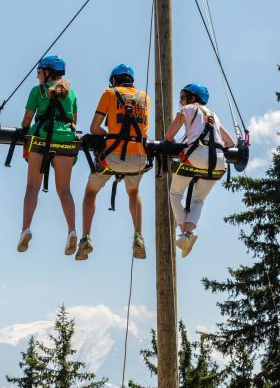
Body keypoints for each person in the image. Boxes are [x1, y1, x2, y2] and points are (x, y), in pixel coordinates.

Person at [75, 64, 150, 261]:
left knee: (91, 192)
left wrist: (111, 135)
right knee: (133, 192)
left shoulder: (109, 93)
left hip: (112, 158)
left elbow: (94, 128)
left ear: (114, 80)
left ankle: (86, 238)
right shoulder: (145, 97)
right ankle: (138, 235)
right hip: (139, 158)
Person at [17, 55, 79, 255]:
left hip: (42, 138)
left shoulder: (37, 91)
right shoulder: (71, 94)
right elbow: (74, 122)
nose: (37, 75)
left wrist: (24, 128)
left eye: (39, 71)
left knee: (32, 186)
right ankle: (72, 230)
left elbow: (27, 119)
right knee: (64, 191)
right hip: (67, 142)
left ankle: (25, 228)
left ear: (47, 72)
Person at [164, 83, 235, 257]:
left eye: (182, 96)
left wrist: (172, 142)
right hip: (218, 162)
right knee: (198, 200)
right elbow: (230, 143)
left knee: (175, 194)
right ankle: (187, 235)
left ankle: (183, 231)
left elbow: (168, 136)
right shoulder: (214, 115)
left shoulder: (187, 109)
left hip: (195, 157)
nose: (180, 101)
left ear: (192, 98)